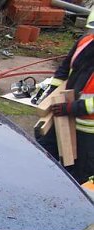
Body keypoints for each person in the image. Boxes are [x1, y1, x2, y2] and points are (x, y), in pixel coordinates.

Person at [35, 11, 94, 183]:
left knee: (80, 176)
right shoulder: (85, 42)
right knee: (45, 151)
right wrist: (51, 93)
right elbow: (64, 69)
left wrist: (73, 108)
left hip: (88, 130)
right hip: (64, 115)